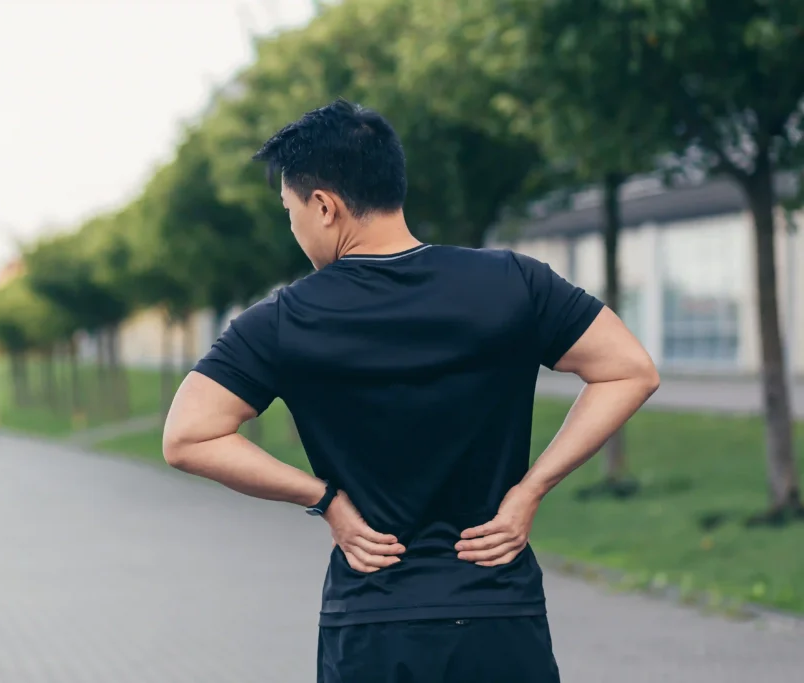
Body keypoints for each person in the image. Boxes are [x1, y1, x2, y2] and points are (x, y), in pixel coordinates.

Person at [162, 99, 659, 682]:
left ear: (324, 206)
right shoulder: (512, 282)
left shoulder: (284, 320)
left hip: (373, 620)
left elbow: (188, 438)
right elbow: (631, 370)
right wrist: (531, 490)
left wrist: (325, 501)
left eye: (289, 210)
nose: (292, 227)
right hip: (498, 610)